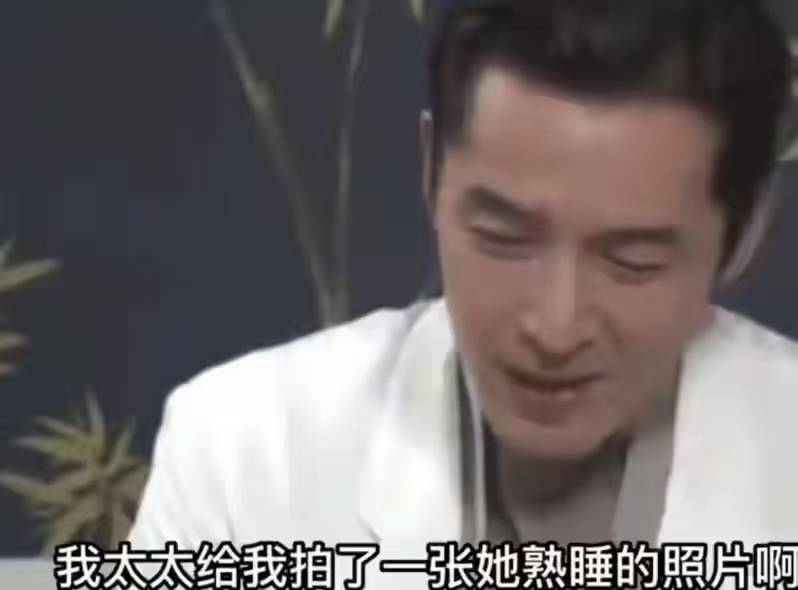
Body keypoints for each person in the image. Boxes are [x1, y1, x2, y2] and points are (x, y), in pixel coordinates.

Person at [130, 0, 798, 585]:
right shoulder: (238, 454)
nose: (554, 327)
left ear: (743, 234)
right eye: (503, 238)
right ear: (431, 174)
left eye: (631, 262)